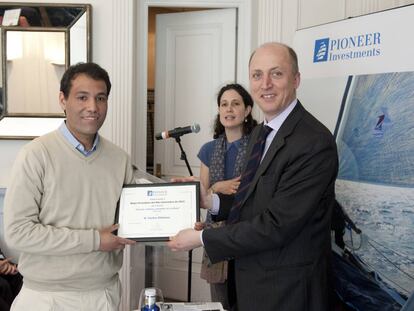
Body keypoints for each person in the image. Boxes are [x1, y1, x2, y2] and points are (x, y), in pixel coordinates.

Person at [168, 42, 338, 311]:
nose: (265, 84)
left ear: (296, 79)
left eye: (276, 74)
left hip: (287, 292)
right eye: (257, 75)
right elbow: (250, 201)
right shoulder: (260, 134)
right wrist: (209, 201)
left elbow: (276, 224)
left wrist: (202, 239)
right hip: (249, 285)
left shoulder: (313, 142)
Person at [4, 62, 136, 311]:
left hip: (104, 295)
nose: (93, 108)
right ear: (62, 100)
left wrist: (186, 213)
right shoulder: (36, 155)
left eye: (101, 98)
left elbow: (140, 219)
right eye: (82, 97)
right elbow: (18, 232)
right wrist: (95, 240)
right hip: (45, 298)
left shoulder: (120, 159)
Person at [197, 83, 257, 310]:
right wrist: (218, 187)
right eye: (224, 104)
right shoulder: (208, 150)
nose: (229, 109)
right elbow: (202, 196)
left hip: (248, 232)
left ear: (247, 110)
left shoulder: (258, 146)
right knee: (220, 302)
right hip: (216, 235)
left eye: (235, 104)